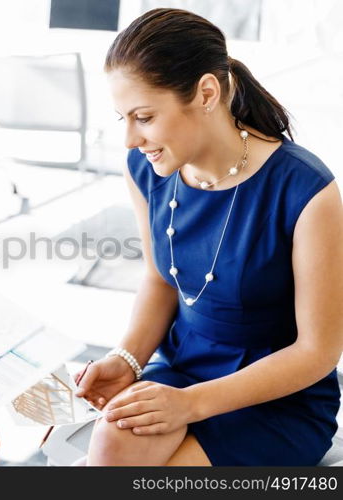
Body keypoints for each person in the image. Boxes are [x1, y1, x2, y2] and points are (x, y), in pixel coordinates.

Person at [74, 8, 343, 466]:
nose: (130, 139)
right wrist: (127, 359)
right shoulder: (146, 169)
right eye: (123, 117)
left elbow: (317, 352)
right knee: (112, 441)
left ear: (205, 93)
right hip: (180, 369)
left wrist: (191, 404)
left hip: (276, 398)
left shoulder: (306, 190)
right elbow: (161, 280)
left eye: (144, 116)